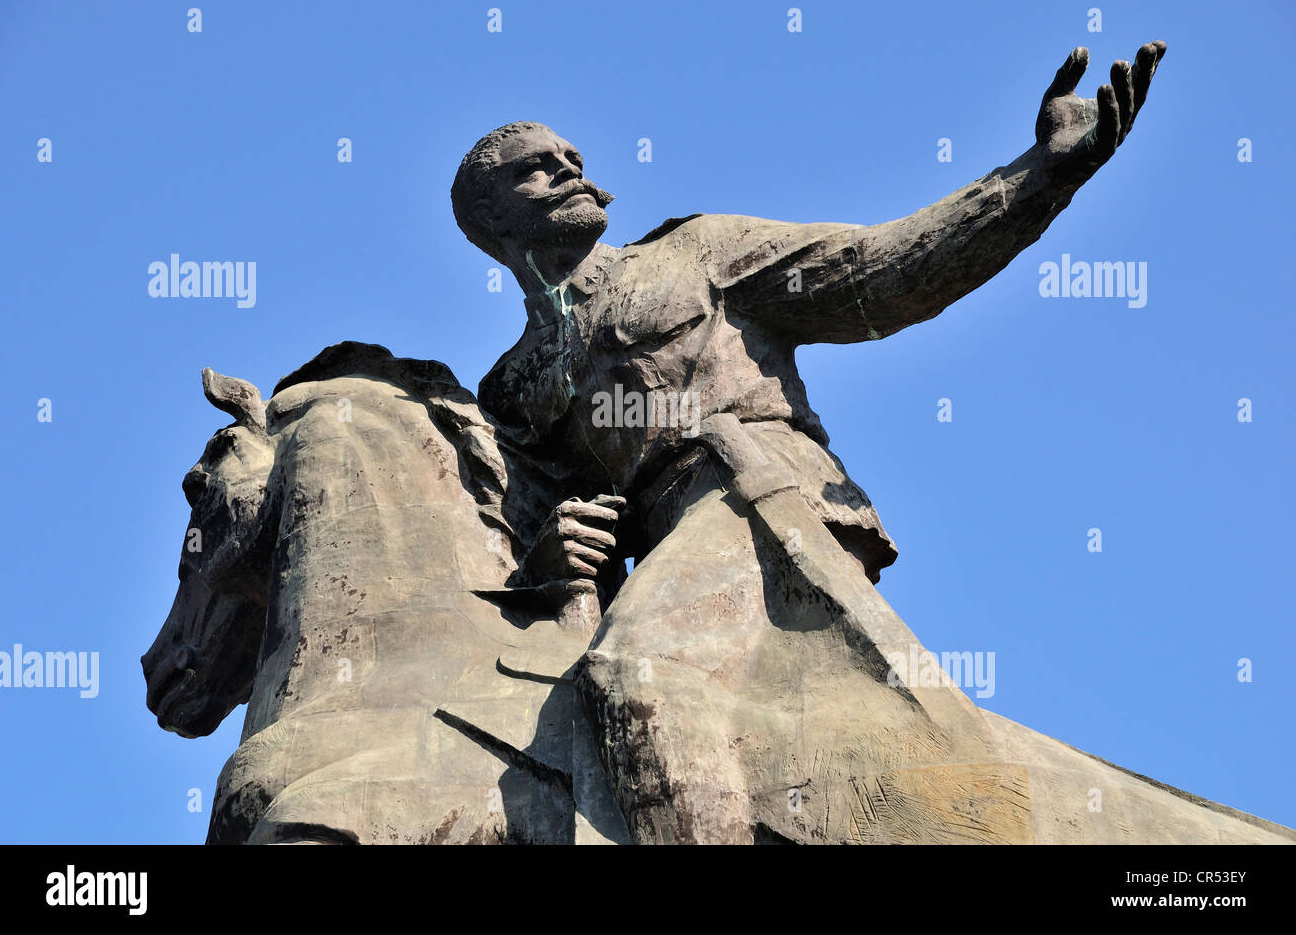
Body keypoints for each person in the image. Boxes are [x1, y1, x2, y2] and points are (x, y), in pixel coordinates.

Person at [454, 43, 1168, 842]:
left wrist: (1040, 176)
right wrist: (549, 557)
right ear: (491, 222)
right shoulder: (509, 389)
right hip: (664, 552)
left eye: (572, 158)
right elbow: (520, 530)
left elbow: (879, 270)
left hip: (756, 502)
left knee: (635, 673)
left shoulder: (693, 253)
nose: (566, 169)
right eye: (535, 170)